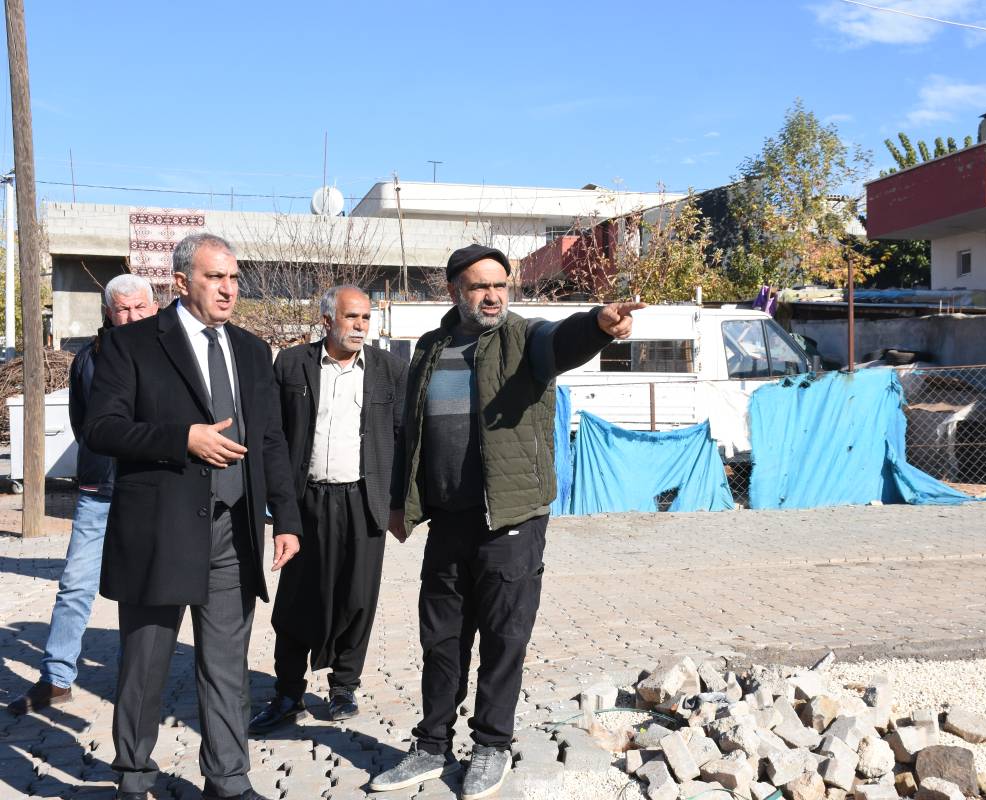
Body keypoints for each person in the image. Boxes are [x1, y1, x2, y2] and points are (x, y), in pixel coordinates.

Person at [369, 244, 641, 799]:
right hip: (448, 520)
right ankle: (431, 745)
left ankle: (492, 746)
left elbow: (562, 340)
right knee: (441, 640)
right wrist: (401, 501)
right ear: (455, 292)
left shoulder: (524, 339)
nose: (492, 296)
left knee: (503, 638)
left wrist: (599, 324)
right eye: (479, 286)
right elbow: (410, 433)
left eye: (500, 285)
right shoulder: (431, 347)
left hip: (510, 520)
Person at [83, 233, 301, 800]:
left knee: (226, 666)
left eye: (234, 278)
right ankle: (134, 777)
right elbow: (101, 428)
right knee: (145, 665)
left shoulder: (252, 350)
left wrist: (287, 517)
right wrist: (182, 438)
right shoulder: (132, 344)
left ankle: (228, 780)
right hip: (160, 533)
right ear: (181, 282)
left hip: (234, 531)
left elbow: (270, 440)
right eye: (215, 278)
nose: (229, 289)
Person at [248, 285, 407, 733]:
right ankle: (287, 692)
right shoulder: (292, 364)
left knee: (357, 597)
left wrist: (399, 505)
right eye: (351, 317)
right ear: (326, 320)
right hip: (306, 501)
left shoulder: (391, 370)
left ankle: (344, 686)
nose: (360, 326)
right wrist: (280, 508)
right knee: (297, 600)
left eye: (366, 318)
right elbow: (274, 438)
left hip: (364, 501)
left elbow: (404, 439)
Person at [6, 275, 158, 717]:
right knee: (75, 584)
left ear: (153, 308)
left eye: (139, 307)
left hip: (150, 490)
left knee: (144, 588)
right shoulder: (89, 359)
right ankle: (56, 677)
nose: (131, 316)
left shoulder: (169, 355)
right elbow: (83, 424)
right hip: (98, 491)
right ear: (108, 313)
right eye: (122, 309)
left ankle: (136, 679)